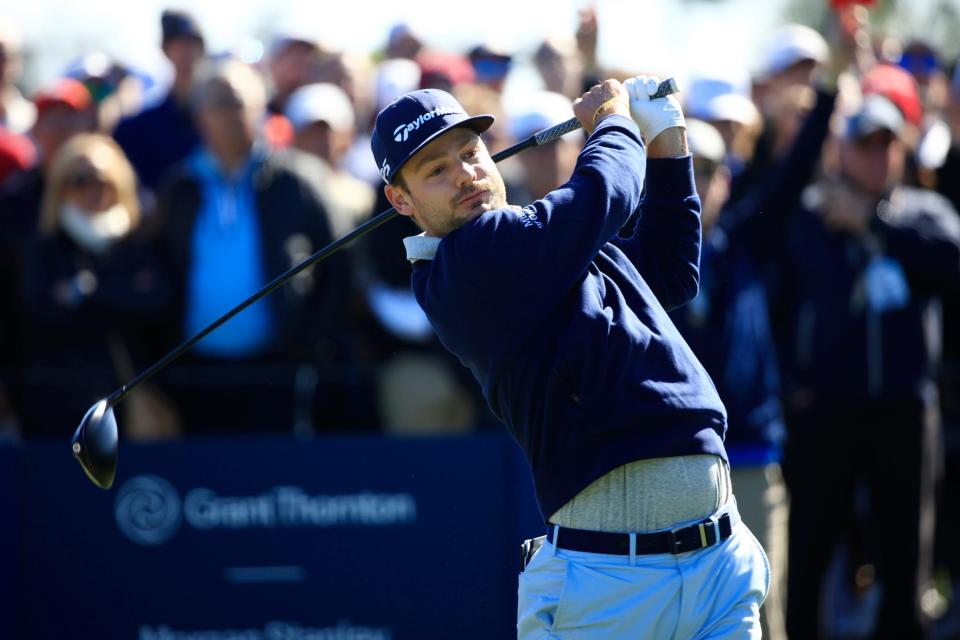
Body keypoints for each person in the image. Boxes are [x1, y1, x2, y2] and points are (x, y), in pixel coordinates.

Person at [370, 78, 769, 636]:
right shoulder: (467, 262)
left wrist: (669, 144)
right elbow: (604, 191)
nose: (465, 173)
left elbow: (671, 270)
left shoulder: (541, 246)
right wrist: (612, 120)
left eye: (469, 152)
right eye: (436, 170)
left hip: (718, 559)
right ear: (400, 200)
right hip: (607, 580)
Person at [775, 91, 960, 639]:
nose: (878, 157)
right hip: (824, 412)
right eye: (866, 145)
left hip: (903, 411)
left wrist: (873, 223)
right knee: (807, 560)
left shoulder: (924, 212)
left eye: (888, 145)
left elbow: (951, 261)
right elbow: (773, 304)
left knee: (905, 563)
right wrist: (793, 386)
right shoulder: (809, 217)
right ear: (843, 151)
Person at [155, 59, 354, 435]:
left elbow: (337, 266)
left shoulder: (298, 180)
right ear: (200, 116)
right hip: (198, 373)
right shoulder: (179, 188)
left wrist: (311, 346)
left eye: (241, 102)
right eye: (222, 103)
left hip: (278, 369)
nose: (234, 114)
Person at [18, 134, 174, 439]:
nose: (91, 190)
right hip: (59, 405)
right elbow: (40, 314)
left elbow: (158, 302)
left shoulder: (139, 243)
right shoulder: (46, 248)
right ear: (59, 188)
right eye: (78, 180)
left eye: (102, 180)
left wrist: (85, 294)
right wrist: (118, 296)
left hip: (131, 405)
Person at [113, 8, 205, 193]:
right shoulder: (140, 127)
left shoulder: (220, 117)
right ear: (165, 50)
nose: (185, 52)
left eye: (192, 43)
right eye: (178, 44)